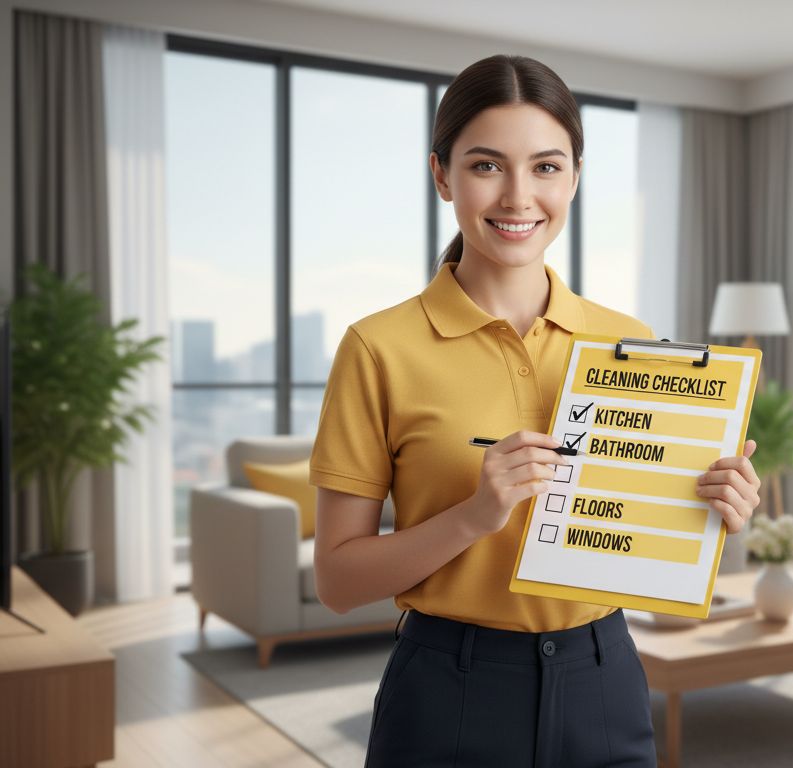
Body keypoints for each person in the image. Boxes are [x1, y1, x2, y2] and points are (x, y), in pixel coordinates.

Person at [309, 53, 762, 767]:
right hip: (448, 690)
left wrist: (715, 503)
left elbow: (642, 538)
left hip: (604, 678)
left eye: (546, 167)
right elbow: (336, 582)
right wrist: (474, 515)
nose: (519, 196)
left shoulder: (634, 345)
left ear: (574, 177)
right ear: (441, 176)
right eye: (487, 165)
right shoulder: (377, 348)